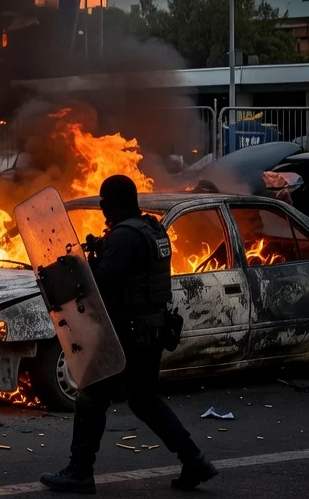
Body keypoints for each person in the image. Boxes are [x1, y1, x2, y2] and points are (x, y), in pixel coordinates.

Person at [40, 175, 217, 494]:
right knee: (145, 400)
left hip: (127, 333)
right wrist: (102, 249)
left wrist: (77, 266)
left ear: (111, 203)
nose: (103, 210)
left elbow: (102, 282)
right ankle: (195, 461)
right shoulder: (152, 229)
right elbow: (137, 270)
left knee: (92, 395)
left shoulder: (124, 236)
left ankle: (79, 473)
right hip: (152, 329)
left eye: (104, 204)